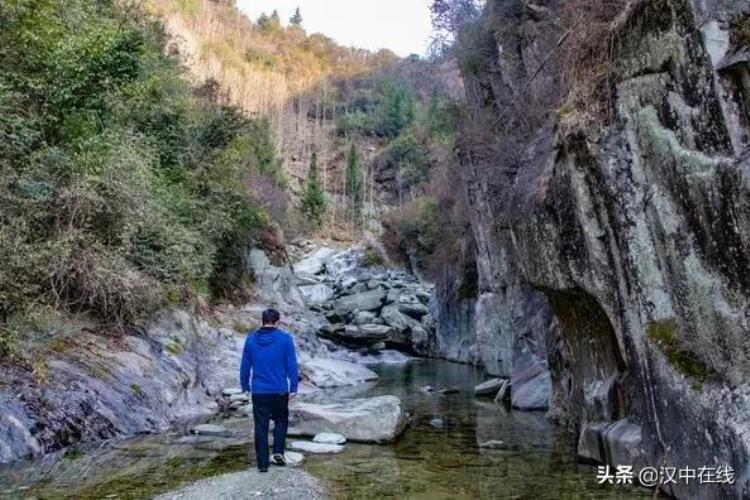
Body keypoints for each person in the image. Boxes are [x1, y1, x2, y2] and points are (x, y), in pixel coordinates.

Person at [239, 308, 299, 472]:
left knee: (261, 426)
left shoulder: (251, 340)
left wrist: (245, 387)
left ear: (262, 321)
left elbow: (245, 366)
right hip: (279, 389)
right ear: (277, 322)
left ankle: (263, 465)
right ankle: (278, 451)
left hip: (259, 391)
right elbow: (291, 365)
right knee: (281, 421)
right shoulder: (285, 339)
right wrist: (294, 386)